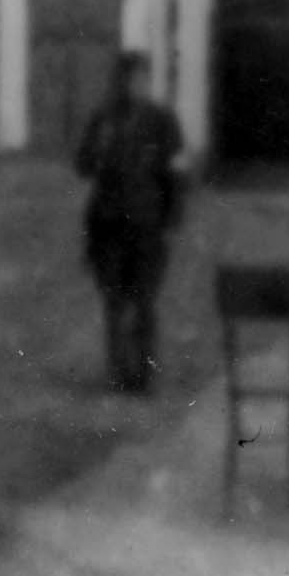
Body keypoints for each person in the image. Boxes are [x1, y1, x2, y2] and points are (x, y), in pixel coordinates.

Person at [75, 50, 186, 394]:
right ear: (117, 82)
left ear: (146, 82)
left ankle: (144, 375)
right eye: (126, 79)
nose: (132, 86)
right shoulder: (102, 119)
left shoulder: (162, 121)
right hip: (107, 225)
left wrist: (173, 217)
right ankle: (118, 371)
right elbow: (82, 167)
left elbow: (177, 172)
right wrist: (97, 147)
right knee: (112, 301)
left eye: (139, 79)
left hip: (147, 225)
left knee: (145, 301)